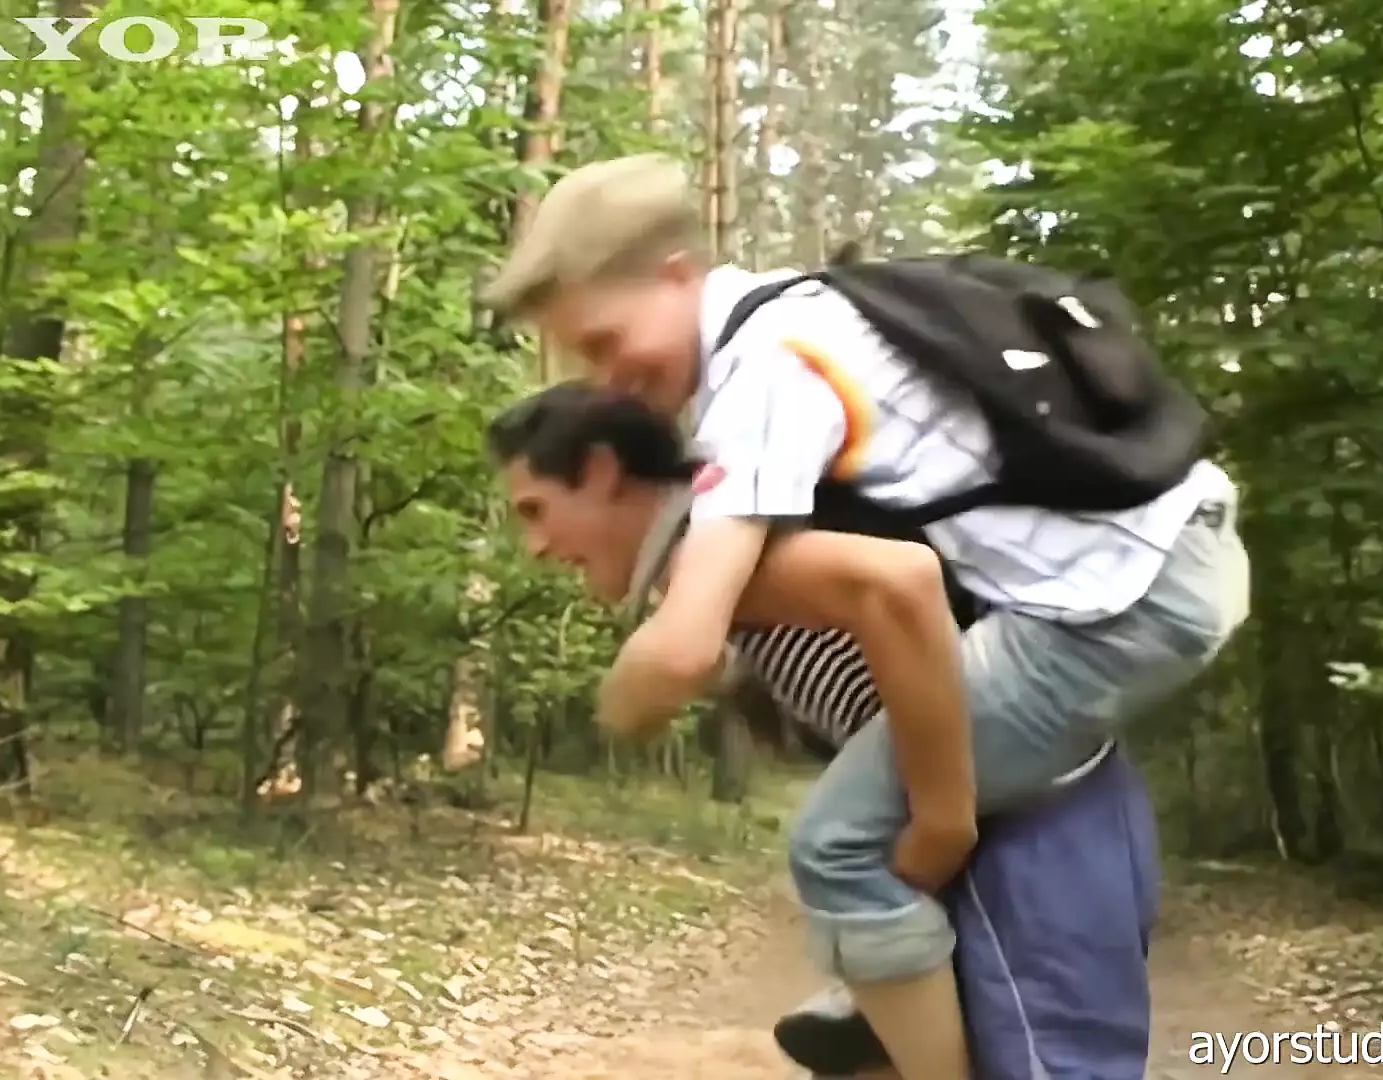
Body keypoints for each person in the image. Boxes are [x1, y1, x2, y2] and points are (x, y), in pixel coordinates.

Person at [479, 154, 1249, 1079]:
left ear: (677, 276)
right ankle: (881, 992)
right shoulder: (797, 324)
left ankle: (899, 1020)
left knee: (839, 844)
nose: (605, 385)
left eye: (605, 344)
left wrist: (940, 816)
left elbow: (702, 636)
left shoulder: (769, 363)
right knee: (878, 859)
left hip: (1114, 600)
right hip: (1141, 571)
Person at [485, 381, 1163, 1079]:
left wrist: (941, 816)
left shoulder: (724, 543)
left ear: (602, 472)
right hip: (1026, 814)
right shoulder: (723, 558)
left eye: (536, 510)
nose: (534, 546)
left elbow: (896, 583)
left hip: (1032, 826)